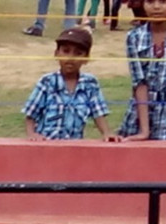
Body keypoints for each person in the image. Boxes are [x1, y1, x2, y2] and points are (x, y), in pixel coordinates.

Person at [22, 27, 117, 140]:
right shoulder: (47, 82)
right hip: (46, 145)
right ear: (56, 53)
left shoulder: (90, 84)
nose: (71, 58)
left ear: (86, 58)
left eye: (78, 53)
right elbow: (31, 114)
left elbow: (98, 113)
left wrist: (106, 133)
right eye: (66, 51)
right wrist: (32, 134)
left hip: (74, 148)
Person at [118, 0, 166, 139]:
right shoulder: (134, 37)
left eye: (163, 1)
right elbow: (139, 83)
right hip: (140, 112)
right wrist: (144, 131)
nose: (156, 7)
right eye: (150, 1)